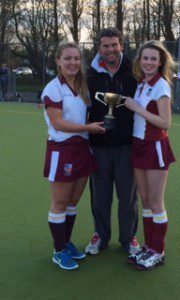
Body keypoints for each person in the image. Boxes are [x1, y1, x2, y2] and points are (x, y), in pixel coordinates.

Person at [41, 42, 105, 270]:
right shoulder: (53, 88)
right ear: (58, 61)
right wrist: (88, 128)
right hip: (63, 150)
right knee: (60, 203)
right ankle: (58, 251)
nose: (72, 63)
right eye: (67, 58)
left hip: (82, 149)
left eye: (76, 58)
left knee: (73, 202)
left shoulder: (83, 85)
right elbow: (58, 123)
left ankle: (66, 244)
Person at [85, 27, 140, 255]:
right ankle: (101, 235)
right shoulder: (90, 74)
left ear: (121, 46)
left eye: (114, 45)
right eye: (105, 46)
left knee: (127, 198)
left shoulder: (134, 70)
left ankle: (129, 239)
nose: (110, 49)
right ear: (100, 48)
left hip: (127, 145)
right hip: (99, 146)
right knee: (100, 198)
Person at [125, 40, 176, 270]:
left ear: (160, 62)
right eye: (145, 58)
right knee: (145, 201)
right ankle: (148, 247)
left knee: (156, 202)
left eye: (153, 58)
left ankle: (159, 251)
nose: (148, 62)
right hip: (139, 146)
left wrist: (137, 109)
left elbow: (165, 122)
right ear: (140, 60)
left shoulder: (161, 86)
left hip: (155, 146)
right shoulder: (142, 83)